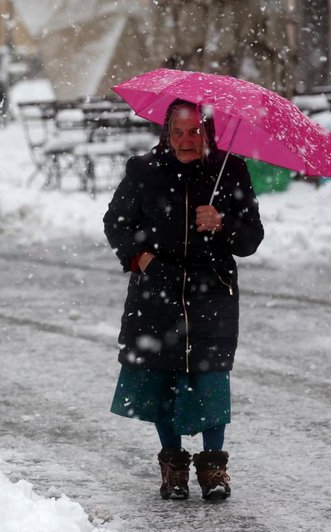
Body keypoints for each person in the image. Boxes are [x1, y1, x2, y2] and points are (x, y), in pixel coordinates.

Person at [103, 99, 264, 501]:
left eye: (195, 131)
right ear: (166, 132)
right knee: (163, 376)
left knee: (210, 377)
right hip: (158, 291)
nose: (186, 140)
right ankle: (173, 465)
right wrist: (140, 258)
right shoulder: (144, 171)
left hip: (212, 292)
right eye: (177, 131)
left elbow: (251, 239)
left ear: (208, 132)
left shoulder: (231, 170)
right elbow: (116, 223)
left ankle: (213, 469)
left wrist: (223, 222)